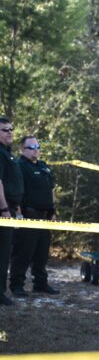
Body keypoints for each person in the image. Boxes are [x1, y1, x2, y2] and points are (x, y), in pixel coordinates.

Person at [9, 136, 59, 297]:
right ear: (22, 149)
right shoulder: (19, 166)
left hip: (45, 217)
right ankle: (17, 285)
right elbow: (17, 191)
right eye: (31, 147)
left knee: (42, 253)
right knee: (23, 253)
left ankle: (40, 283)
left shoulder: (44, 167)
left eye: (37, 146)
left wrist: (53, 212)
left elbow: (51, 191)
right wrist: (18, 213)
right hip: (28, 215)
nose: (36, 149)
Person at [0, 117, 23, 305]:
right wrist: (4, 208)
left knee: (6, 252)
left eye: (11, 129)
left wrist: (16, 207)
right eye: (5, 130)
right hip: (2, 210)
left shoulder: (8, 153)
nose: (9, 132)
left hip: (11, 208)